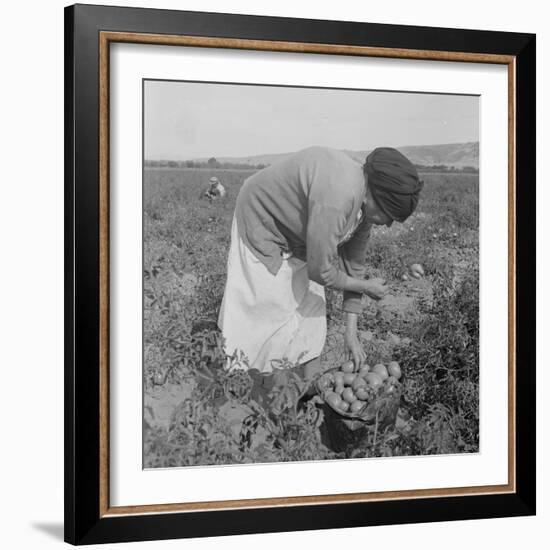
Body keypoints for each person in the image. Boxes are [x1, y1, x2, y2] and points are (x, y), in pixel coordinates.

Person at [217, 146, 423, 395]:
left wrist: (351, 334)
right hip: (263, 223)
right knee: (275, 315)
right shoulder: (338, 197)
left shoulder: (363, 206)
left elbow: (353, 267)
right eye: (388, 215)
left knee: (312, 316)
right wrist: (366, 288)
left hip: (301, 238)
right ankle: (278, 401)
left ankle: (312, 395)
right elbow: (321, 272)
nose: (388, 224)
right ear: (375, 195)